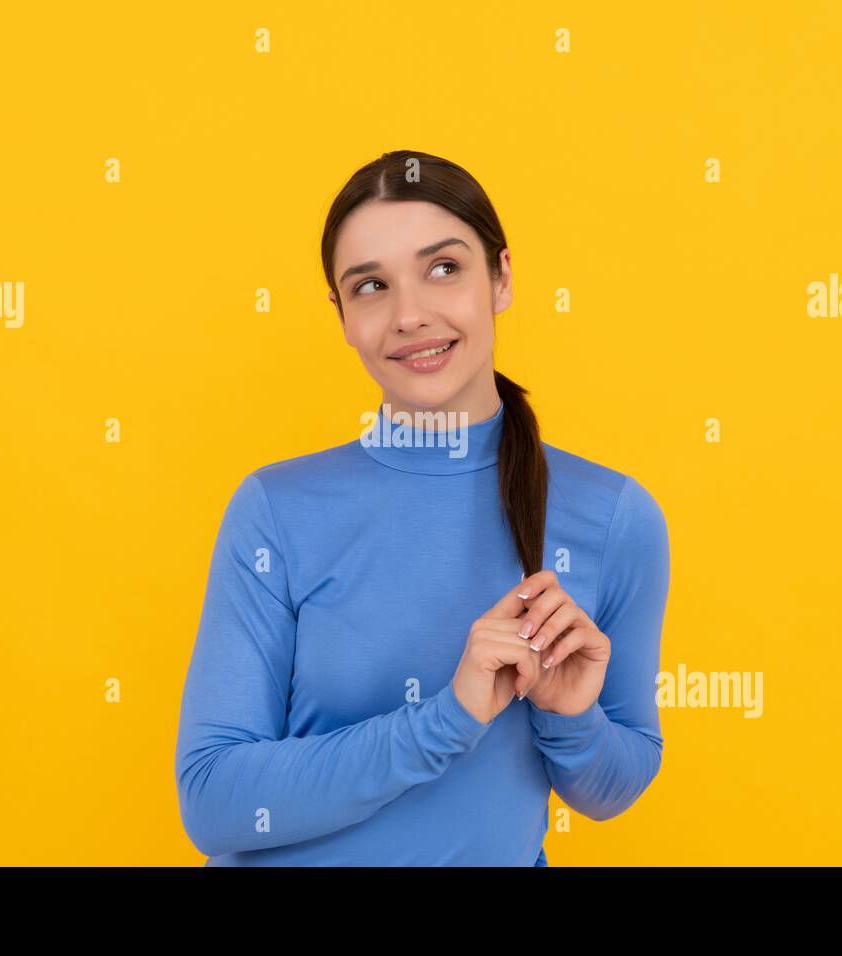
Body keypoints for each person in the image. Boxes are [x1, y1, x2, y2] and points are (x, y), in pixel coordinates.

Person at [174, 149, 670, 866]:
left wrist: (571, 715)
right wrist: (446, 718)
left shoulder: (612, 515)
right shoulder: (276, 511)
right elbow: (214, 802)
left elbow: (611, 788)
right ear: (342, 317)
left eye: (444, 268)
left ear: (500, 278)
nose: (410, 315)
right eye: (371, 286)